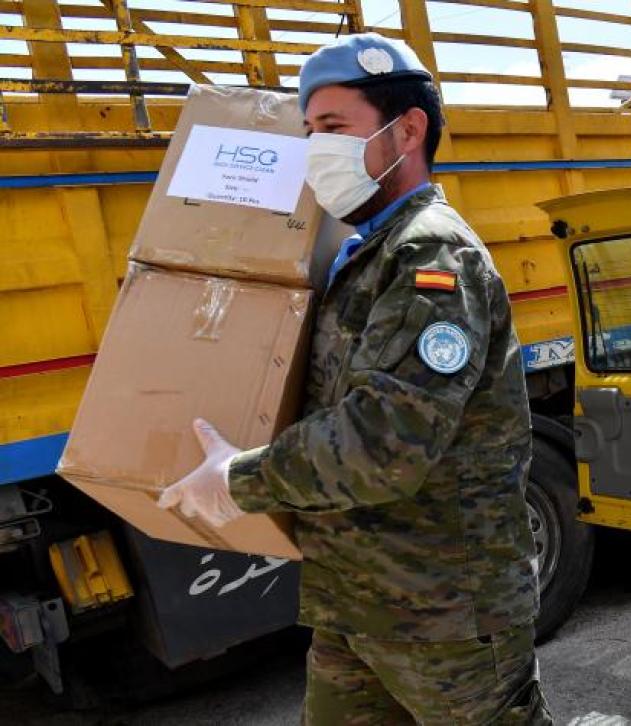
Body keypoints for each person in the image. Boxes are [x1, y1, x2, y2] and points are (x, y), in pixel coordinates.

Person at [157, 33, 550, 725]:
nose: (316, 150)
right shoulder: (362, 252)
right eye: (309, 132)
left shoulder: (432, 256)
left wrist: (237, 480)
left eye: (334, 128)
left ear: (408, 128)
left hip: (447, 614)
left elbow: (385, 443)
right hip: (356, 602)